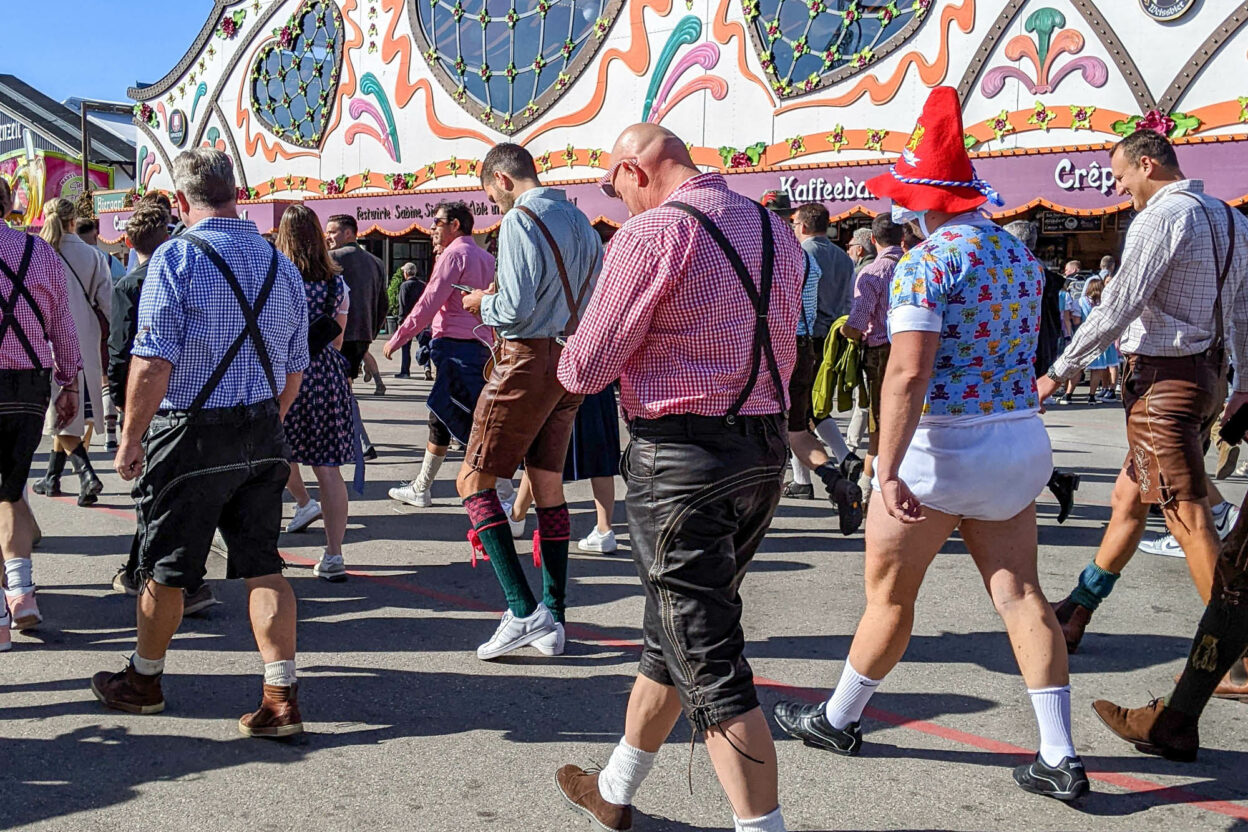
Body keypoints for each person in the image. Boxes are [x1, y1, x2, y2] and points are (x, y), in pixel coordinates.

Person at [772, 87, 1088, 801]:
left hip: (942, 447)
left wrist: (885, 466)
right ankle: (1059, 754)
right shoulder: (1017, 256)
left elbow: (909, 374)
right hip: (1016, 442)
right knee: (1022, 594)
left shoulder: (927, 263)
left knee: (889, 600)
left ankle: (837, 718)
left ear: (923, 198)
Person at [554, 123, 801, 832]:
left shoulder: (653, 234)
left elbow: (587, 368)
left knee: (711, 661)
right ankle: (616, 787)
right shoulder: (772, 228)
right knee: (678, 635)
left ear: (635, 169)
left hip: (682, 461)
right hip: (759, 450)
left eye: (610, 185)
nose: (613, 199)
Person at [90, 148, 309, 737]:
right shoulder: (278, 262)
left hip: (190, 434)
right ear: (234, 193)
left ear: (182, 203)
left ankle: (142, 682)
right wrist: (267, 419)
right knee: (265, 566)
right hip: (262, 427)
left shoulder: (176, 258)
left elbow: (153, 362)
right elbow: (294, 367)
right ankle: (281, 696)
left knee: (165, 569)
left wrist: (130, 438)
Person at [1038, 130, 1248, 666]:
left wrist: (1060, 371)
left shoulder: (1161, 216)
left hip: (1162, 384)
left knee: (1187, 516)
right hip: (1206, 377)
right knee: (1129, 501)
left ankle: (1232, 656)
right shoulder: (1231, 217)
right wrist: (1242, 382)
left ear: (1148, 164)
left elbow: (1120, 305)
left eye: (1122, 175)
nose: (1119, 187)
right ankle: (1079, 608)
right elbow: (1243, 311)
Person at [458, 143, 602, 661]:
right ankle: (554, 617)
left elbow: (514, 307)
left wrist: (481, 302)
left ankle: (522, 610)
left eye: (490, 196)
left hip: (526, 359)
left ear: (501, 179)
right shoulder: (582, 221)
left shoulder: (521, 219)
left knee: (473, 479)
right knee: (546, 484)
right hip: (569, 360)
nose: (494, 206)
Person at [0, 178, 81, 646]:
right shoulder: (39, 254)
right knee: (11, 488)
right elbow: (62, 326)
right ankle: (23, 591)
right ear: (10, 204)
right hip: (28, 384)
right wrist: (68, 381)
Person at [383, 201, 494, 508]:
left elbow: (430, 300)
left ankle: (502, 493)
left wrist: (399, 337)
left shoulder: (454, 255)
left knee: (466, 417)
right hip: (481, 346)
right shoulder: (485, 257)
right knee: (445, 415)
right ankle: (422, 486)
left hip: (456, 347)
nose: (432, 228)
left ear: (455, 224)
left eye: (437, 222)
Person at [762, 196, 862, 531]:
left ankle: (795, 483)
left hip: (792, 339)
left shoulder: (790, 255)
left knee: (787, 418)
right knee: (808, 416)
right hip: (824, 336)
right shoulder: (835, 259)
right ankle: (838, 470)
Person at [276, 204, 354, 582]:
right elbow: (337, 340)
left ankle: (276, 539)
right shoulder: (336, 284)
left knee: (275, 456)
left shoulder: (277, 278)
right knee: (328, 467)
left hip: (283, 374)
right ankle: (334, 554)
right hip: (324, 374)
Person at [29, 198, 111, 507]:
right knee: (69, 411)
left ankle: (85, 473)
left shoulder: (39, 253)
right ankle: (51, 477)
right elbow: (108, 302)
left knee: (58, 411)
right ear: (74, 220)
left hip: (45, 339)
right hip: (85, 335)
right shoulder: (93, 255)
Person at [786, 200, 866, 506]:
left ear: (803, 226)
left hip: (806, 335)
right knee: (813, 407)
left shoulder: (803, 254)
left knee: (798, 411)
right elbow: (848, 300)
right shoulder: (844, 259)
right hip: (833, 334)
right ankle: (839, 459)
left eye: (795, 224)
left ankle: (804, 479)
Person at [1005, 219, 1081, 524]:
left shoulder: (1020, 272)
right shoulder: (1044, 273)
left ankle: (1044, 481)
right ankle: (1049, 479)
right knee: (1016, 426)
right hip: (1040, 352)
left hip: (1023, 355)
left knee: (1010, 425)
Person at [508, 385, 623, 552]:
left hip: (558, 382)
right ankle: (604, 529)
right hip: (596, 383)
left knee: (542, 453)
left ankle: (517, 517)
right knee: (600, 454)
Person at [841, 214, 904, 502]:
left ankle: (871, 483)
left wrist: (843, 331)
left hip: (880, 350)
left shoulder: (873, 272)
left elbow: (857, 322)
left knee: (880, 419)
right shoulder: (912, 265)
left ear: (874, 240)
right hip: (910, 346)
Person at [327, 214, 388, 405]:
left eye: (332, 232)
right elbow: (383, 304)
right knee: (347, 381)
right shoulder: (376, 262)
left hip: (335, 334)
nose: (327, 236)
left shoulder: (331, 258)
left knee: (335, 388)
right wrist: (371, 332)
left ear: (348, 233)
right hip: (362, 334)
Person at [1078, 278, 1120, 403]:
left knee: (1110, 362)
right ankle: (1106, 388)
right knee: (1107, 362)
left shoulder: (1084, 301)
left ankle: (1110, 389)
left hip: (1095, 334)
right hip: (1106, 333)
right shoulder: (1105, 301)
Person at [394, 262, 426, 379]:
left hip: (408, 319)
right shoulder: (423, 285)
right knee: (423, 344)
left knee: (405, 346)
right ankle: (427, 367)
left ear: (406, 273)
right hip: (421, 318)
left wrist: (400, 321)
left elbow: (402, 304)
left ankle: (405, 371)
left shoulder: (404, 286)